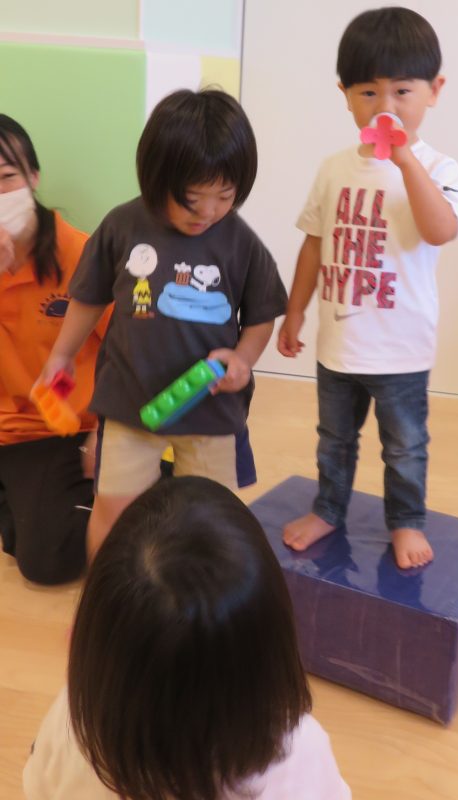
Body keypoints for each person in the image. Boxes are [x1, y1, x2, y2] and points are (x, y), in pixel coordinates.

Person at [39, 89, 287, 559]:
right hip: (129, 401)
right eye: (192, 199)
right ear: (157, 179)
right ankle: (104, 596)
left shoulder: (242, 243)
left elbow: (261, 316)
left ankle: (203, 596)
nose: (208, 212)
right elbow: (88, 297)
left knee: (211, 517)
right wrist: (62, 354)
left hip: (210, 409)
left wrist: (243, 359)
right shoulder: (122, 227)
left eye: (224, 197)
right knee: (113, 509)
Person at [23, 476, 351, 800]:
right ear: (274, 646)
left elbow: (38, 786)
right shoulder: (299, 753)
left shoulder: (73, 722)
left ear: (91, 639)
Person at [277, 8, 458, 569]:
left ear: (434, 91)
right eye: (368, 92)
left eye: (402, 91)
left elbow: (441, 229)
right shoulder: (334, 168)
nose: (385, 106)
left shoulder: (438, 167)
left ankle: (406, 520)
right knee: (334, 438)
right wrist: (294, 312)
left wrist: (405, 163)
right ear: (345, 96)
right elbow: (314, 244)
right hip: (339, 346)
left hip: (401, 348)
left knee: (404, 445)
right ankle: (328, 508)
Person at [0, 114, 106, 585]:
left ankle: (140, 487)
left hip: (54, 427)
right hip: (7, 426)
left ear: (34, 178)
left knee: (47, 560)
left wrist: (107, 431)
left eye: (6, 177)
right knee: (24, 532)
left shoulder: (82, 254)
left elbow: (129, 348)